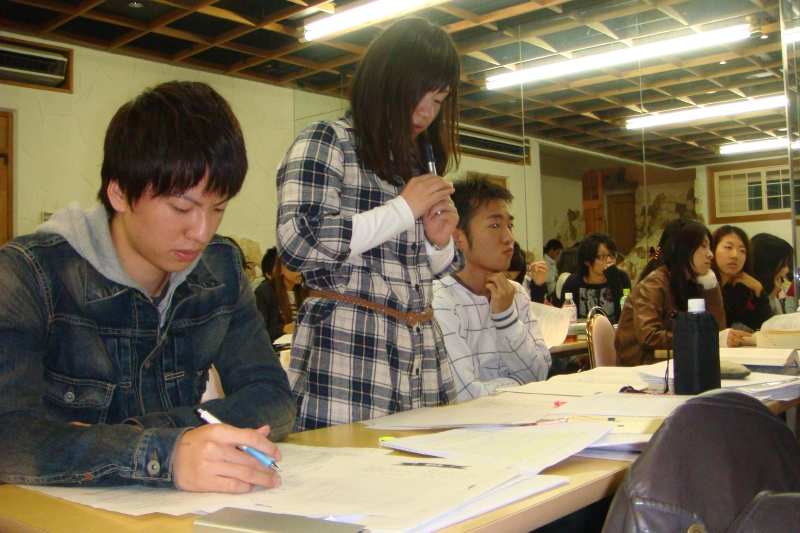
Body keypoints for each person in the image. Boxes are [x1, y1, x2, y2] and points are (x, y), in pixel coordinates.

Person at [0, 81, 295, 492]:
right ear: (120, 192)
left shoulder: (220, 270)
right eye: (181, 207)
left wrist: (154, 437)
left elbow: (273, 399)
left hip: (176, 509)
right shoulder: (31, 275)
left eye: (219, 208)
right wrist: (163, 453)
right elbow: (8, 435)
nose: (202, 231)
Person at [276, 18, 464, 431]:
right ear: (386, 83)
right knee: (348, 467)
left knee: (433, 467)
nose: (427, 112)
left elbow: (415, 273)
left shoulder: (413, 164)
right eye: (418, 95)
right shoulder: (328, 140)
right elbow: (297, 241)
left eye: (438, 100)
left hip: (420, 356)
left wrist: (438, 243)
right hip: (349, 352)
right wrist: (402, 209)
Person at [433, 178, 550, 400]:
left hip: (519, 416)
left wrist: (506, 318)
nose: (509, 238)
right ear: (458, 237)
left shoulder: (515, 293)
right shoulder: (441, 301)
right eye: (495, 226)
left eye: (510, 226)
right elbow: (465, 397)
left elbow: (541, 374)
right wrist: (521, 383)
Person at [616, 220, 727, 366]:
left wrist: (711, 287)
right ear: (679, 248)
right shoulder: (653, 284)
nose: (710, 254)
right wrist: (696, 338)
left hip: (675, 363)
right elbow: (648, 337)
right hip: (643, 368)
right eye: (703, 246)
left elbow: (716, 331)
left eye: (710, 247)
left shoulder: (691, 282)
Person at [557, 233, 631, 324]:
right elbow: (563, 319)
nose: (609, 260)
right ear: (587, 261)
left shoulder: (621, 277)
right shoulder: (573, 282)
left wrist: (615, 281)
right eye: (602, 256)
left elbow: (625, 319)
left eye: (612, 255)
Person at [711, 225, 772, 332]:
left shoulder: (733, 291)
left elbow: (763, 324)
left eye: (742, 250)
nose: (735, 255)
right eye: (728, 247)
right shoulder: (702, 286)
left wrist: (758, 288)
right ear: (712, 249)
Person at [254, 258, 306, 341]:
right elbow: (258, 333)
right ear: (281, 267)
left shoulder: (306, 290)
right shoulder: (264, 292)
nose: (300, 271)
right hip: (277, 346)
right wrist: (284, 329)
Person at [751, 233, 794, 316]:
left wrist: (772, 295)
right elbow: (763, 320)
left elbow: (779, 318)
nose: (786, 269)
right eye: (783, 265)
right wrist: (770, 296)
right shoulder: (747, 290)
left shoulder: (771, 285)